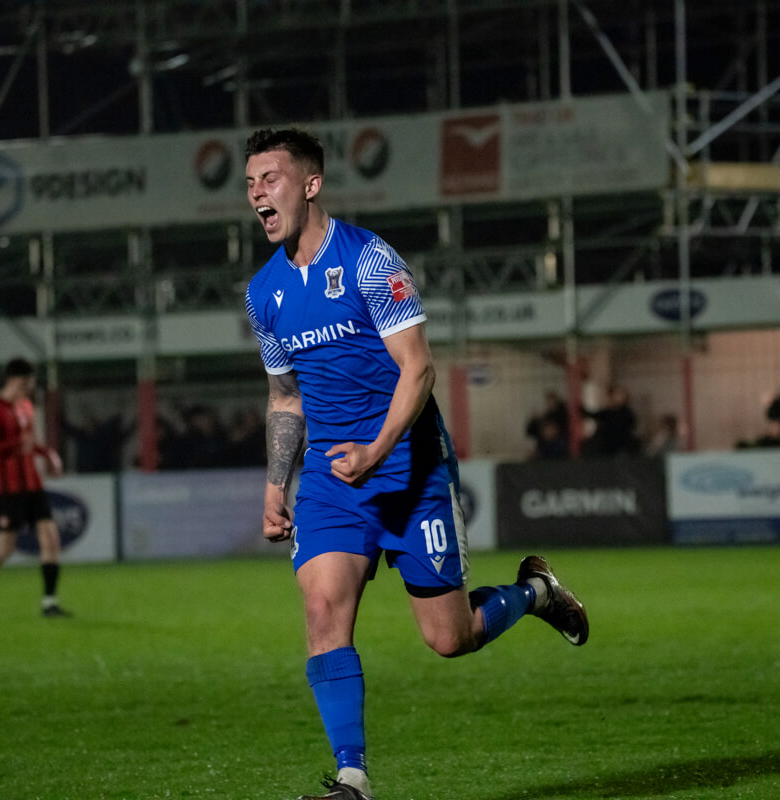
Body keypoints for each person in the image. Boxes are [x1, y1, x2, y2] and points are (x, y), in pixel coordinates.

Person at [242, 128, 588, 800]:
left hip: (410, 471)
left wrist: (377, 450)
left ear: (311, 185)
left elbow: (419, 369)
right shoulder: (265, 293)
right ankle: (352, 777)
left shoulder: (371, 261)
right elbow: (285, 397)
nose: (257, 191)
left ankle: (536, 593)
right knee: (323, 608)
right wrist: (275, 483)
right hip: (333, 481)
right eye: (251, 182)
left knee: (450, 639)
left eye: (271, 177)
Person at [0, 357, 70, 620]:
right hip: (8, 489)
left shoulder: (25, 407)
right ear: (15, 381)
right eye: (27, 383)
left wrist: (48, 455)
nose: (30, 389)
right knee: (5, 546)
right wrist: (13, 444)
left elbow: (30, 442)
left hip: (33, 484)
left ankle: (49, 602)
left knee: (51, 538)